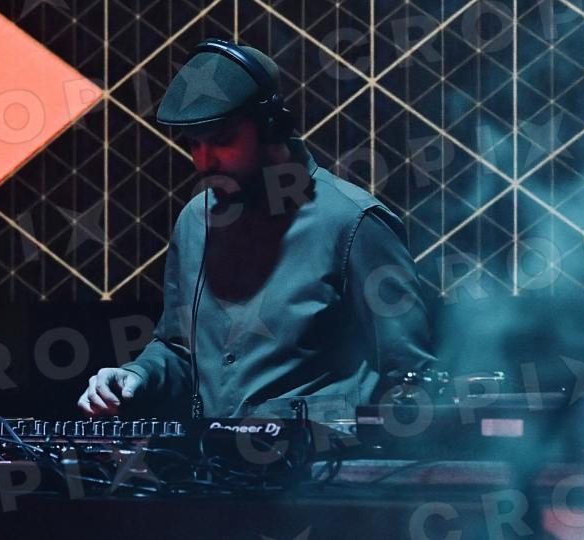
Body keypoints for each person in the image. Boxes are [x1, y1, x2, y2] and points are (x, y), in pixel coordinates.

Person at [77, 39, 438, 422]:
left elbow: (409, 376)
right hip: (215, 458)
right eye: (194, 144)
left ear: (270, 127)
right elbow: (179, 348)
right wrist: (138, 374)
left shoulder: (355, 223)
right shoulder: (194, 221)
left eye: (222, 141)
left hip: (321, 459)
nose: (204, 161)